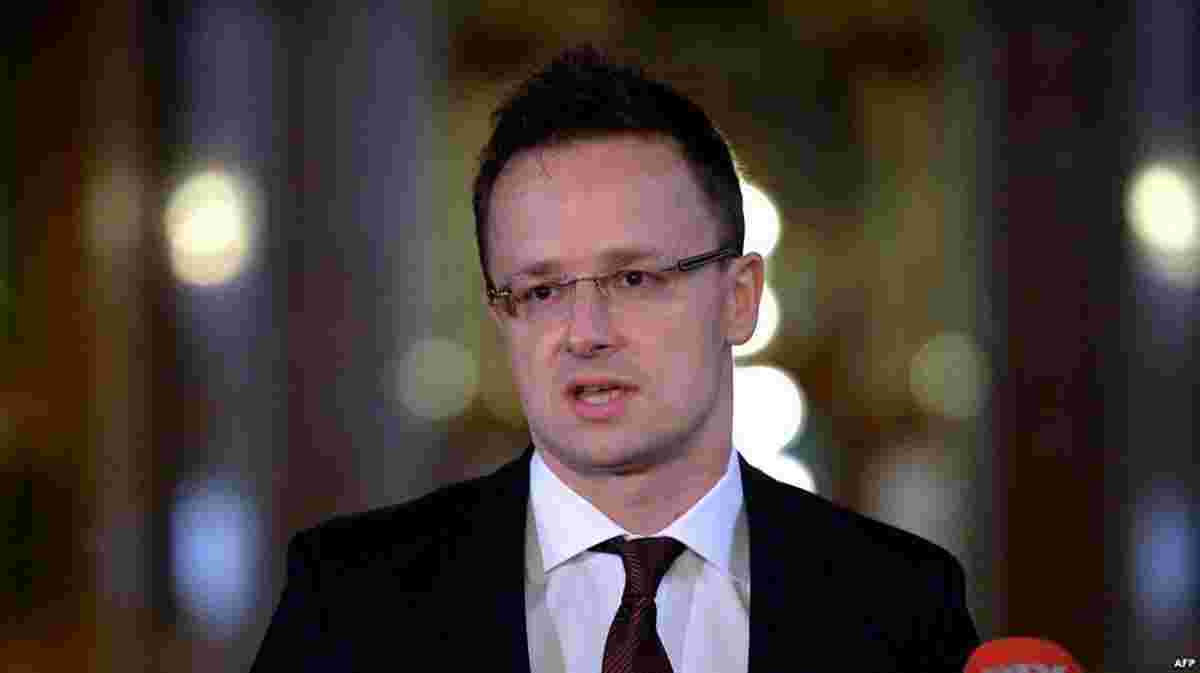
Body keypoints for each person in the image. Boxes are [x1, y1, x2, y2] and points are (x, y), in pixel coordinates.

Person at [250, 45, 979, 672]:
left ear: (740, 298)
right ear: (501, 316)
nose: (585, 332)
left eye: (633, 279)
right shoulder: (350, 602)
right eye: (540, 290)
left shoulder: (901, 604)